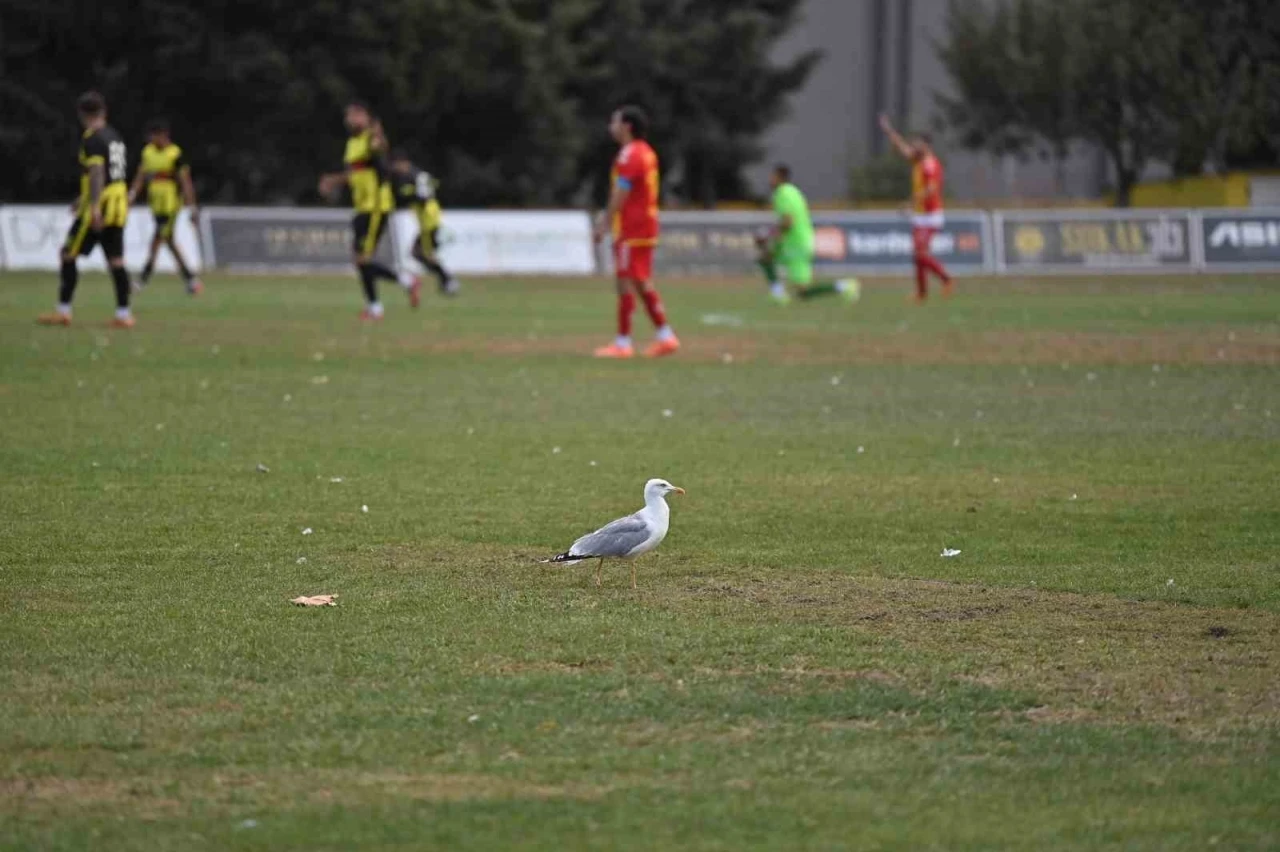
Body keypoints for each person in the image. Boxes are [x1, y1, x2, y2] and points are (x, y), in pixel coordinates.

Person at [38, 91, 135, 328]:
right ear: (104, 111)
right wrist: (82, 198)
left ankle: (63, 311)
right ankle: (124, 315)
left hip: (100, 204)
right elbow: (113, 175)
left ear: (82, 114)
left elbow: (97, 173)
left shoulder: (91, 138)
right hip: (118, 204)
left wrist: (92, 206)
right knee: (116, 260)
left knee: (67, 254)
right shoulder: (115, 136)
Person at [591, 105, 679, 359]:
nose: (611, 127)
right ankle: (665, 336)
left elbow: (622, 191)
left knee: (625, 282)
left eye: (614, 122)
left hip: (632, 227)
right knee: (640, 281)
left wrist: (605, 222)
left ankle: (623, 343)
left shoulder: (629, 155)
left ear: (627, 126)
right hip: (646, 225)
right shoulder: (647, 152)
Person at [318, 101, 418, 320]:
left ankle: (401, 285)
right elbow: (354, 174)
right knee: (360, 260)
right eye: (349, 115)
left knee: (363, 259)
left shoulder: (370, 138)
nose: (350, 119)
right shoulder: (352, 143)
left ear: (366, 117)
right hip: (362, 206)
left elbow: (380, 148)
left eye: (355, 115)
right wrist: (333, 181)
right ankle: (376, 305)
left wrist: (378, 134)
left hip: (375, 206)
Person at [755, 163, 859, 305]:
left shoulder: (782, 193)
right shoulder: (793, 191)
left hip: (797, 243)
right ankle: (778, 295)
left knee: (802, 291)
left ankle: (845, 286)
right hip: (792, 240)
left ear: (780, 178)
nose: (770, 180)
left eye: (772, 177)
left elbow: (788, 222)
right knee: (765, 257)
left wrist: (768, 234)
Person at [880, 113, 952, 301]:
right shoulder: (918, 160)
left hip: (930, 216)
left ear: (926, 146)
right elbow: (901, 147)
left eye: (917, 143)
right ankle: (922, 293)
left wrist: (909, 202)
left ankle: (946, 279)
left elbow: (931, 189)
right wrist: (889, 131)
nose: (913, 146)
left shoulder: (930, 165)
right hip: (920, 215)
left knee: (920, 254)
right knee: (918, 256)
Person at [128, 118, 203, 295]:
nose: (151, 140)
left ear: (163, 135)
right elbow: (141, 175)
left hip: (171, 206)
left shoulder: (175, 154)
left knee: (156, 241)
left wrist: (191, 207)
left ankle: (142, 280)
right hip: (156, 205)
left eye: (154, 136)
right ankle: (191, 280)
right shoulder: (148, 153)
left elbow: (185, 182)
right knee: (169, 241)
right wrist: (131, 195)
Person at [387, 149, 458, 296]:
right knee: (421, 253)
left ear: (403, 163)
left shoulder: (415, 176)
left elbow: (424, 197)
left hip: (429, 221)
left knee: (421, 253)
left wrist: (406, 197)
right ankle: (446, 280)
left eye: (396, 165)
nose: (396, 169)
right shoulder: (414, 176)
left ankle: (448, 280)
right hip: (428, 220)